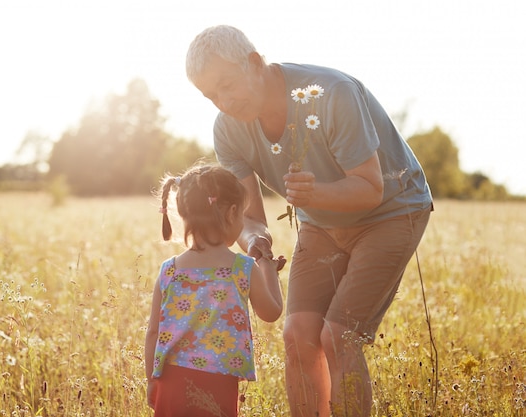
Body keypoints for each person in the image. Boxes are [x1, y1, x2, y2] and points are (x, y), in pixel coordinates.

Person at [185, 25, 433, 417]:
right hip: (320, 222)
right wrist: (255, 242)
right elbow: (250, 216)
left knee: (338, 336)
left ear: (254, 63)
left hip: (391, 210)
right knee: (298, 335)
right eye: (211, 95)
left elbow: (370, 189)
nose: (224, 101)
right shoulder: (228, 130)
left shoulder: (331, 94)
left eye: (227, 85)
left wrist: (313, 195)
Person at [145, 164, 286, 417]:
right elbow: (272, 311)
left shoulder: (169, 270)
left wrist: (151, 380)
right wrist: (267, 267)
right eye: (243, 214)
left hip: (171, 381)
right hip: (219, 382)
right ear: (232, 212)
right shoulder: (242, 268)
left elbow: (153, 332)